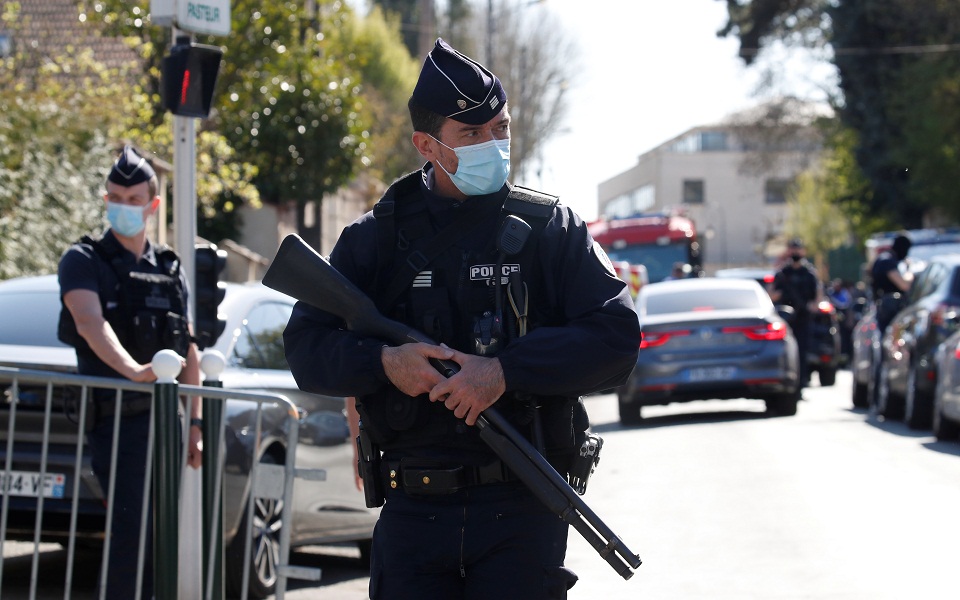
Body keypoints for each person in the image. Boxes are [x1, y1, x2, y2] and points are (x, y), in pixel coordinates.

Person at [283, 38, 640, 600]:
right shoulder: (373, 240)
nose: (492, 145)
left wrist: (504, 372)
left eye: (500, 129)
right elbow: (306, 349)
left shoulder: (550, 228)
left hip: (521, 506)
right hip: (413, 510)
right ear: (426, 144)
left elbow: (617, 338)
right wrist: (385, 363)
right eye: (471, 135)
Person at [57, 145, 203, 599]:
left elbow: (189, 344)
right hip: (118, 420)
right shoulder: (83, 259)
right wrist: (133, 370)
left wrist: (195, 421)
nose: (123, 206)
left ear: (152, 205)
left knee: (163, 535)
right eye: (115, 197)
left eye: (133, 199)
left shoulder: (169, 266)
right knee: (130, 536)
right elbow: (90, 323)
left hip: (169, 424)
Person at [769, 238, 823, 388]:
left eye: (798, 249)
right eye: (792, 249)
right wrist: (781, 294)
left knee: (803, 350)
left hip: (803, 318)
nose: (795, 252)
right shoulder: (783, 273)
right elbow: (772, 294)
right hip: (786, 318)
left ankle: (802, 381)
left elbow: (818, 294)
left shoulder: (809, 273)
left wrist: (813, 306)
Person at [870, 234, 912, 334]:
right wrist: (909, 271)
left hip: (885, 305)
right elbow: (904, 285)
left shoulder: (885, 258)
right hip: (890, 306)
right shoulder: (887, 260)